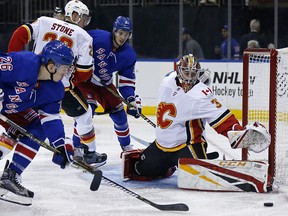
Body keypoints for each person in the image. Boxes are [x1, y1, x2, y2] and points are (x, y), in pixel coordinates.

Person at [122, 54, 272, 192]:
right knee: (139, 171)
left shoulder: (201, 95)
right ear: (178, 70)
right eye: (186, 72)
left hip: (188, 145)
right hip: (161, 145)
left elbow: (221, 117)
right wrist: (135, 103)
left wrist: (239, 133)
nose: (188, 77)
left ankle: (199, 159)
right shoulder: (167, 81)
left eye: (193, 73)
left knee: (200, 179)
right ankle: (167, 167)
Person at [7, 0, 107, 168]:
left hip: (31, 81)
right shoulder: (83, 36)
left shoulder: (45, 21)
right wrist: (72, 77)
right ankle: (88, 154)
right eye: (83, 18)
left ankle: (12, 166)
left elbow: (20, 33)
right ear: (74, 16)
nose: (85, 22)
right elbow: (84, 73)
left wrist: (14, 61)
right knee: (84, 114)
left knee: (20, 126)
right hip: (58, 88)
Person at [0, 40, 74, 199]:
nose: (67, 72)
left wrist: (60, 145)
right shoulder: (25, 62)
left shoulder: (55, 90)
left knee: (38, 127)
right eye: (65, 68)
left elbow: (51, 118)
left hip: (10, 110)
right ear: (52, 65)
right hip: (4, 103)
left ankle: (11, 175)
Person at [72, 16, 141, 153]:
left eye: (126, 34)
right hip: (85, 80)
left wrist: (131, 99)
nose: (122, 37)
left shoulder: (129, 55)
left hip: (104, 83)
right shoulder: (98, 37)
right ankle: (77, 147)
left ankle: (126, 148)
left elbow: (126, 81)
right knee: (88, 110)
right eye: (120, 33)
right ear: (114, 31)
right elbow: (78, 43)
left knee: (120, 115)